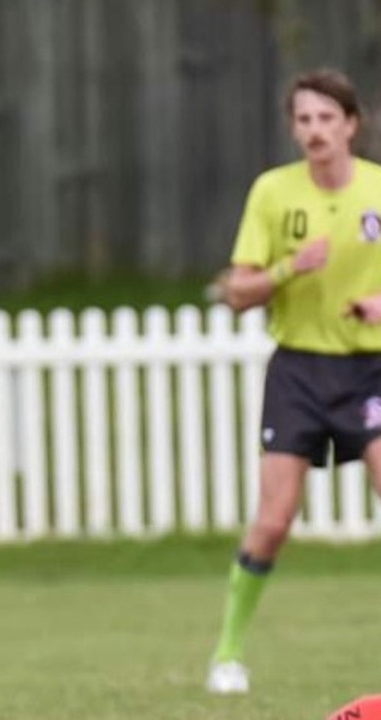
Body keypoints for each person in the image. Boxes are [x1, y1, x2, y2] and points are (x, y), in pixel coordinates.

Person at [205, 67, 381, 695]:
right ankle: (226, 653)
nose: (315, 131)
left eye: (326, 119)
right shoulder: (273, 194)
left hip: (370, 372)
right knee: (276, 518)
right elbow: (235, 293)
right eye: (303, 120)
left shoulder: (378, 191)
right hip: (299, 370)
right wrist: (288, 268)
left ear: (351, 125)